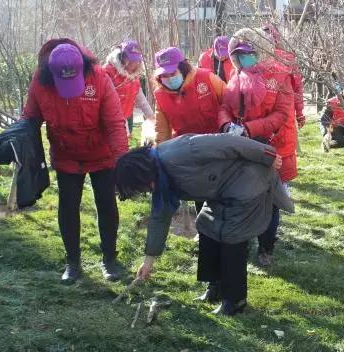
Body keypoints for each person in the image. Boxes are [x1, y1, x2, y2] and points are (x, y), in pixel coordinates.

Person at [115, 135, 293, 315]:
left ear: (142, 172)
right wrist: (148, 261)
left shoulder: (184, 150)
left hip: (248, 180)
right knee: (207, 226)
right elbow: (160, 216)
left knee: (231, 235)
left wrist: (268, 155)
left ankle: (234, 300)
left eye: (142, 187)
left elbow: (229, 142)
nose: (146, 191)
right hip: (220, 191)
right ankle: (214, 287)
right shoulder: (159, 176)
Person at [22, 39, 128, 284]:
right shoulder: (40, 81)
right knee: (68, 206)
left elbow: (114, 123)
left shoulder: (100, 78)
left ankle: (109, 259)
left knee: (106, 203)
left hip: (101, 153)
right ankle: (72, 262)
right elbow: (30, 117)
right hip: (65, 153)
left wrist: (122, 161)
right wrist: (19, 139)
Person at [218, 28, 298, 267]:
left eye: (250, 53)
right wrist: (225, 124)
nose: (246, 58)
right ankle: (245, 241)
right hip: (244, 146)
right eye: (240, 54)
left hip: (274, 146)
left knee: (270, 200)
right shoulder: (236, 75)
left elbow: (282, 114)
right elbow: (225, 105)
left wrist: (250, 128)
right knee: (245, 196)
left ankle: (266, 247)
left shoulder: (280, 75)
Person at [153, 46, 225, 144]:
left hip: (219, 140)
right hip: (186, 147)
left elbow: (229, 104)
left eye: (173, 73)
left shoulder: (207, 78)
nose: (169, 78)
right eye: (164, 75)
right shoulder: (160, 95)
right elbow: (162, 132)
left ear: (183, 69)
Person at [102, 40, 155, 134]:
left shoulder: (134, 76)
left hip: (124, 119)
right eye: (129, 59)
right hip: (108, 122)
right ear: (122, 56)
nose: (132, 63)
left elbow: (141, 100)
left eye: (135, 60)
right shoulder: (107, 73)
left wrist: (151, 118)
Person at [262, 22, 306, 128]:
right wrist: (299, 113)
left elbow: (297, 87)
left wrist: (299, 113)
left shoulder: (257, 58)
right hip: (284, 111)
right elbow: (297, 88)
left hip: (266, 112)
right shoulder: (288, 57)